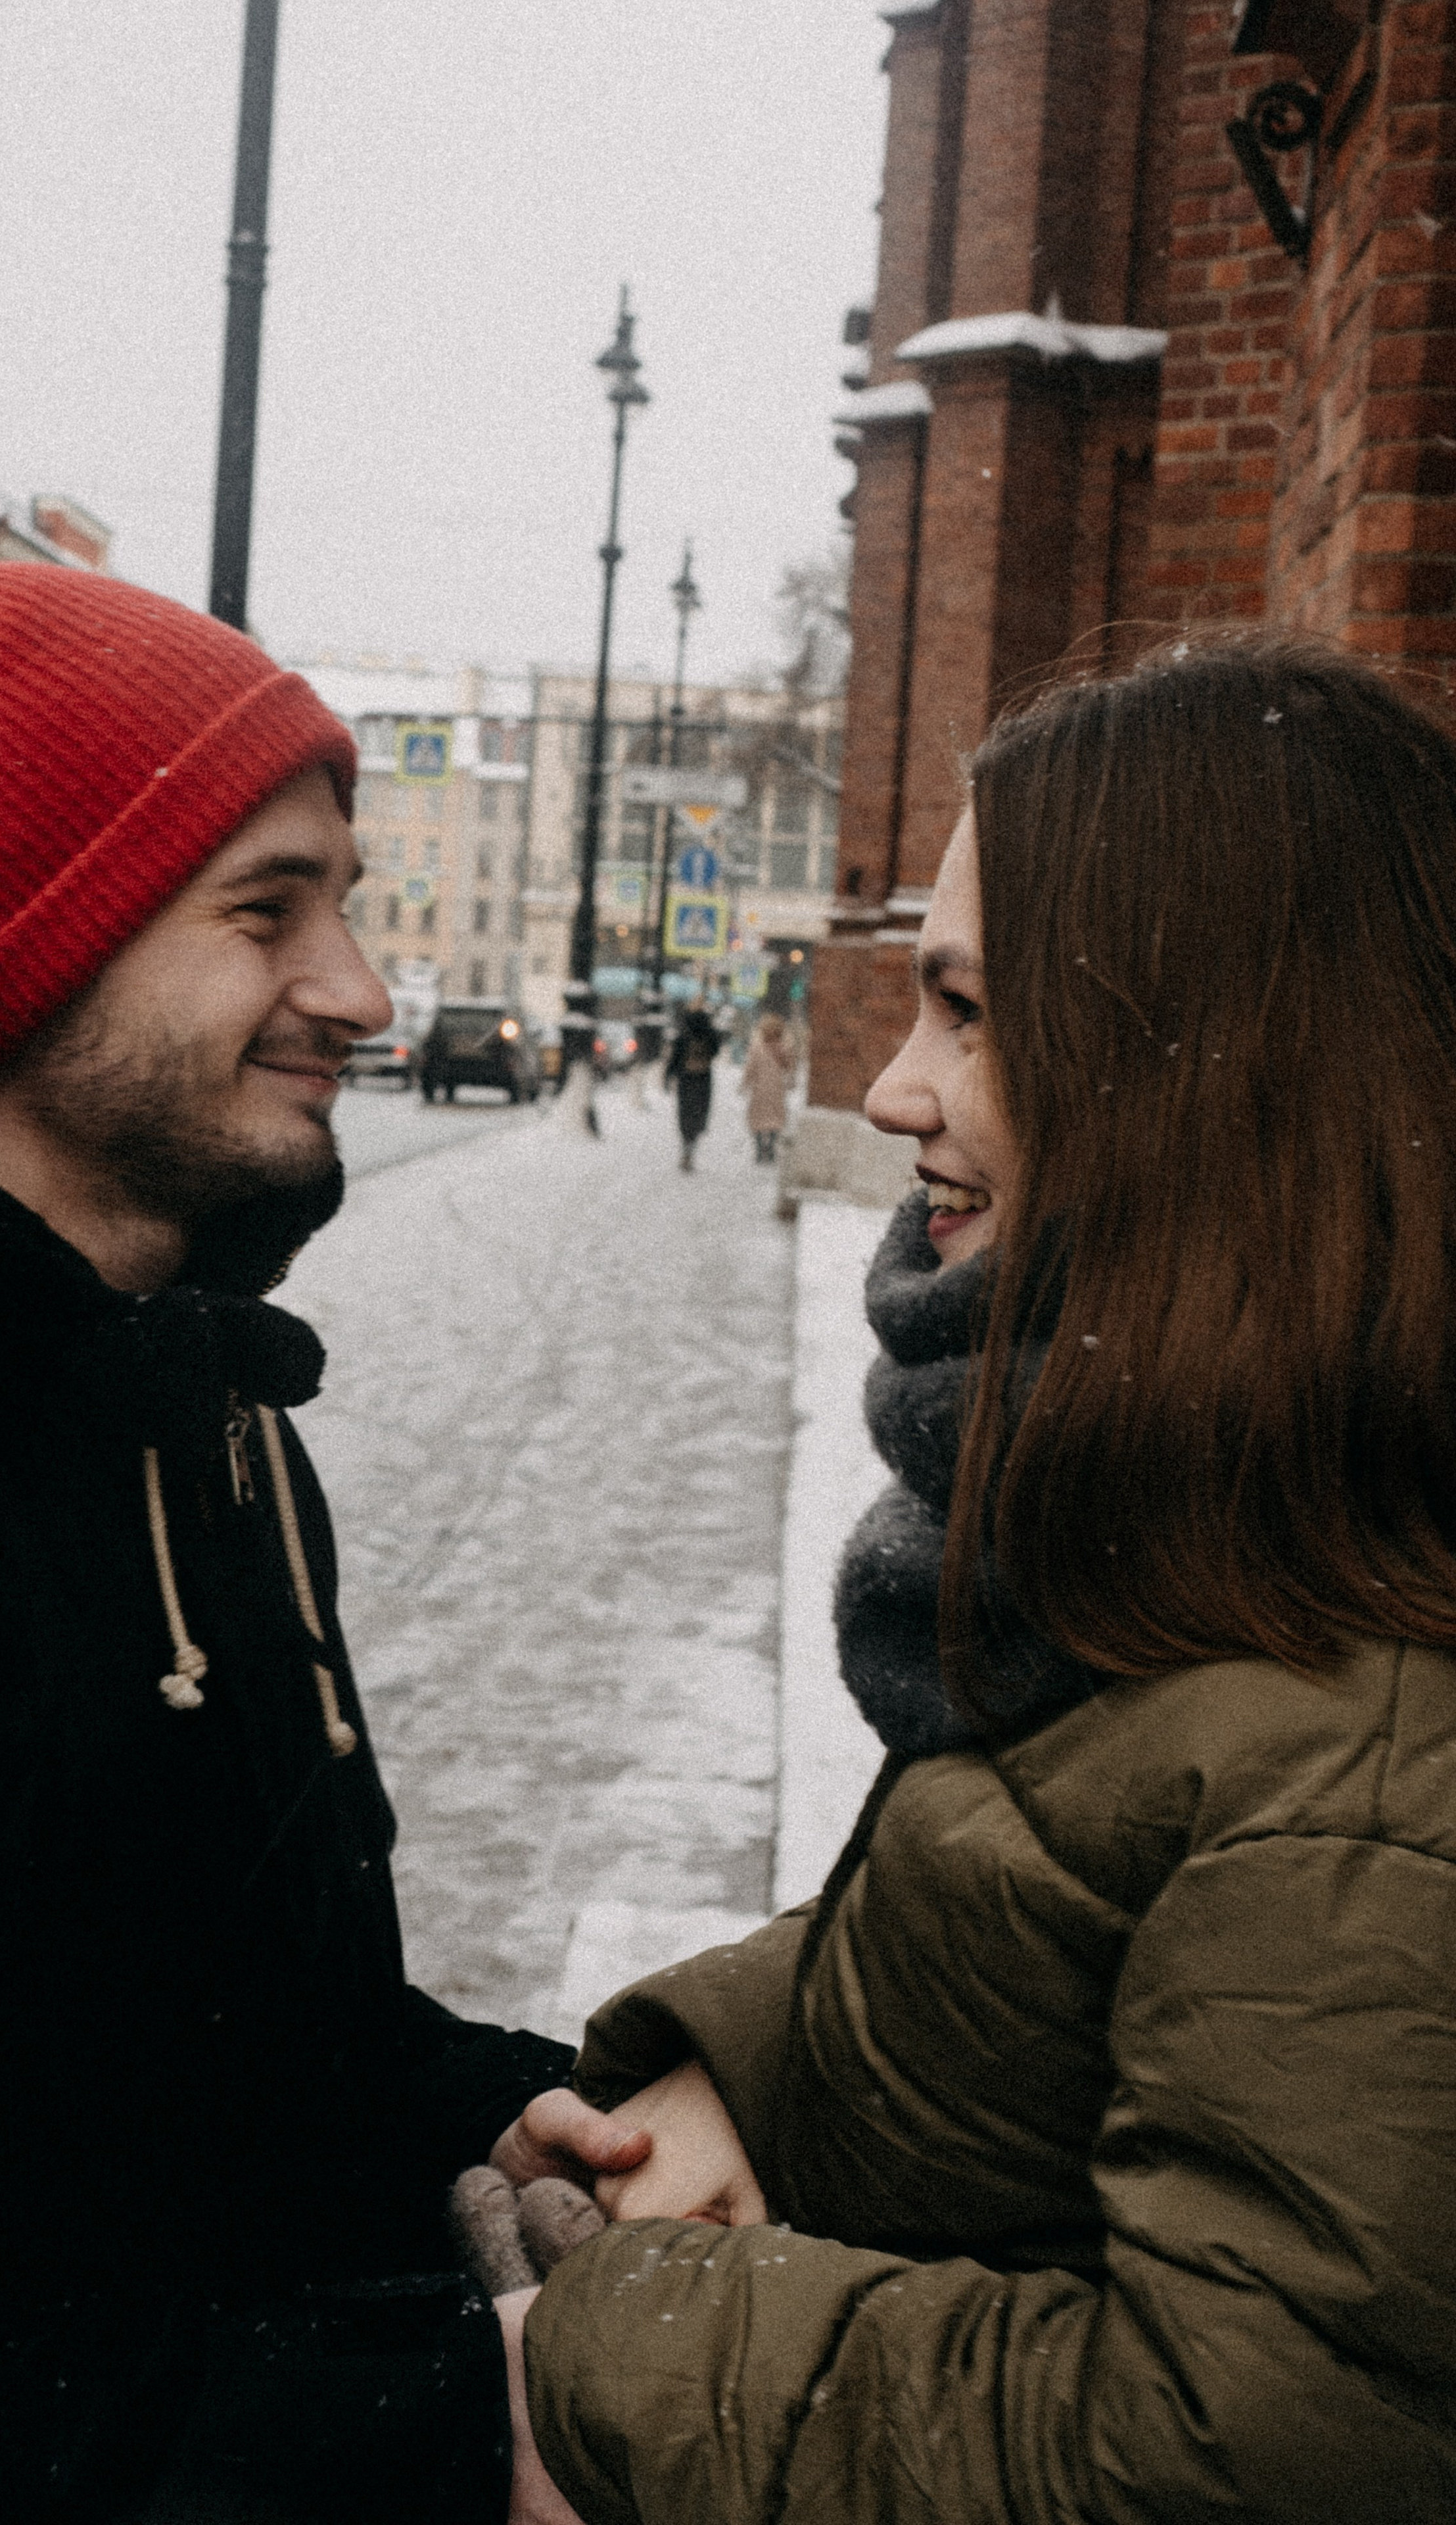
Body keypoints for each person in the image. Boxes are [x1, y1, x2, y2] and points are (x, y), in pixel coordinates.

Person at [501, 635, 1456, 2522]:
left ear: (1202, 1065)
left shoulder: (1358, 1714)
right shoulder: (1179, 1513)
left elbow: (1240, 2456)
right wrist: (735, 2077)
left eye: (969, 1013)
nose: (896, 1090)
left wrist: (624, 2341)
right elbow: (1049, 1911)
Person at [0, 564, 643, 2525]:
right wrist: (443, 2427)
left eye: (343, 900)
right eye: (267, 910)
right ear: (10, 946)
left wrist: (481, 2110)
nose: (359, 989)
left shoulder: (206, 1406)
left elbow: (216, 2044)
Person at [663, 998, 719, 1169]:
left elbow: (675, 1056)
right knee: (699, 1111)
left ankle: (686, 1145)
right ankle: (692, 1143)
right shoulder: (709, 1031)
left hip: (685, 1078)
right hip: (703, 1077)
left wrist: (668, 1075)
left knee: (685, 1112)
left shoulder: (684, 1031)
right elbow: (715, 1050)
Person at [739, 1010, 794, 1162]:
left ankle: (759, 1149)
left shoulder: (757, 1048)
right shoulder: (784, 1048)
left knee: (758, 1118)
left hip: (760, 1089)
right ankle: (770, 1147)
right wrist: (790, 1082)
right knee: (775, 1118)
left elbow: (750, 1068)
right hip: (776, 1088)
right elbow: (790, 1068)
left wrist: (744, 1084)